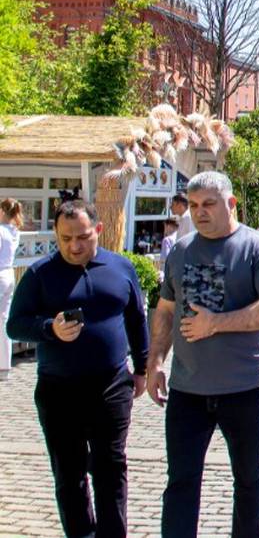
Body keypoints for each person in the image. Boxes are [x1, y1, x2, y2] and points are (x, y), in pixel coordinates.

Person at [148, 171, 259, 538]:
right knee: (180, 482)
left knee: (248, 480)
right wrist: (155, 362)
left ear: (231, 204)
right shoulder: (180, 250)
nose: (199, 212)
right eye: (193, 205)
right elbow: (166, 309)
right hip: (187, 390)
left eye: (208, 204)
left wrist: (217, 323)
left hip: (242, 388)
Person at [7, 200, 149, 538]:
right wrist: (48, 328)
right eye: (65, 238)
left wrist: (142, 367)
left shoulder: (120, 268)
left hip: (111, 385)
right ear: (57, 234)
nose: (74, 246)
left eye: (82, 237)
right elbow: (15, 325)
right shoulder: (41, 274)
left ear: (97, 230)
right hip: (59, 390)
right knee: (69, 473)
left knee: (110, 467)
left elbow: (136, 319)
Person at [0, 198, 22, 381]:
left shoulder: (0, 231)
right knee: (3, 319)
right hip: (9, 273)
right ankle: (4, 365)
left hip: (0, 273)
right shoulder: (15, 231)